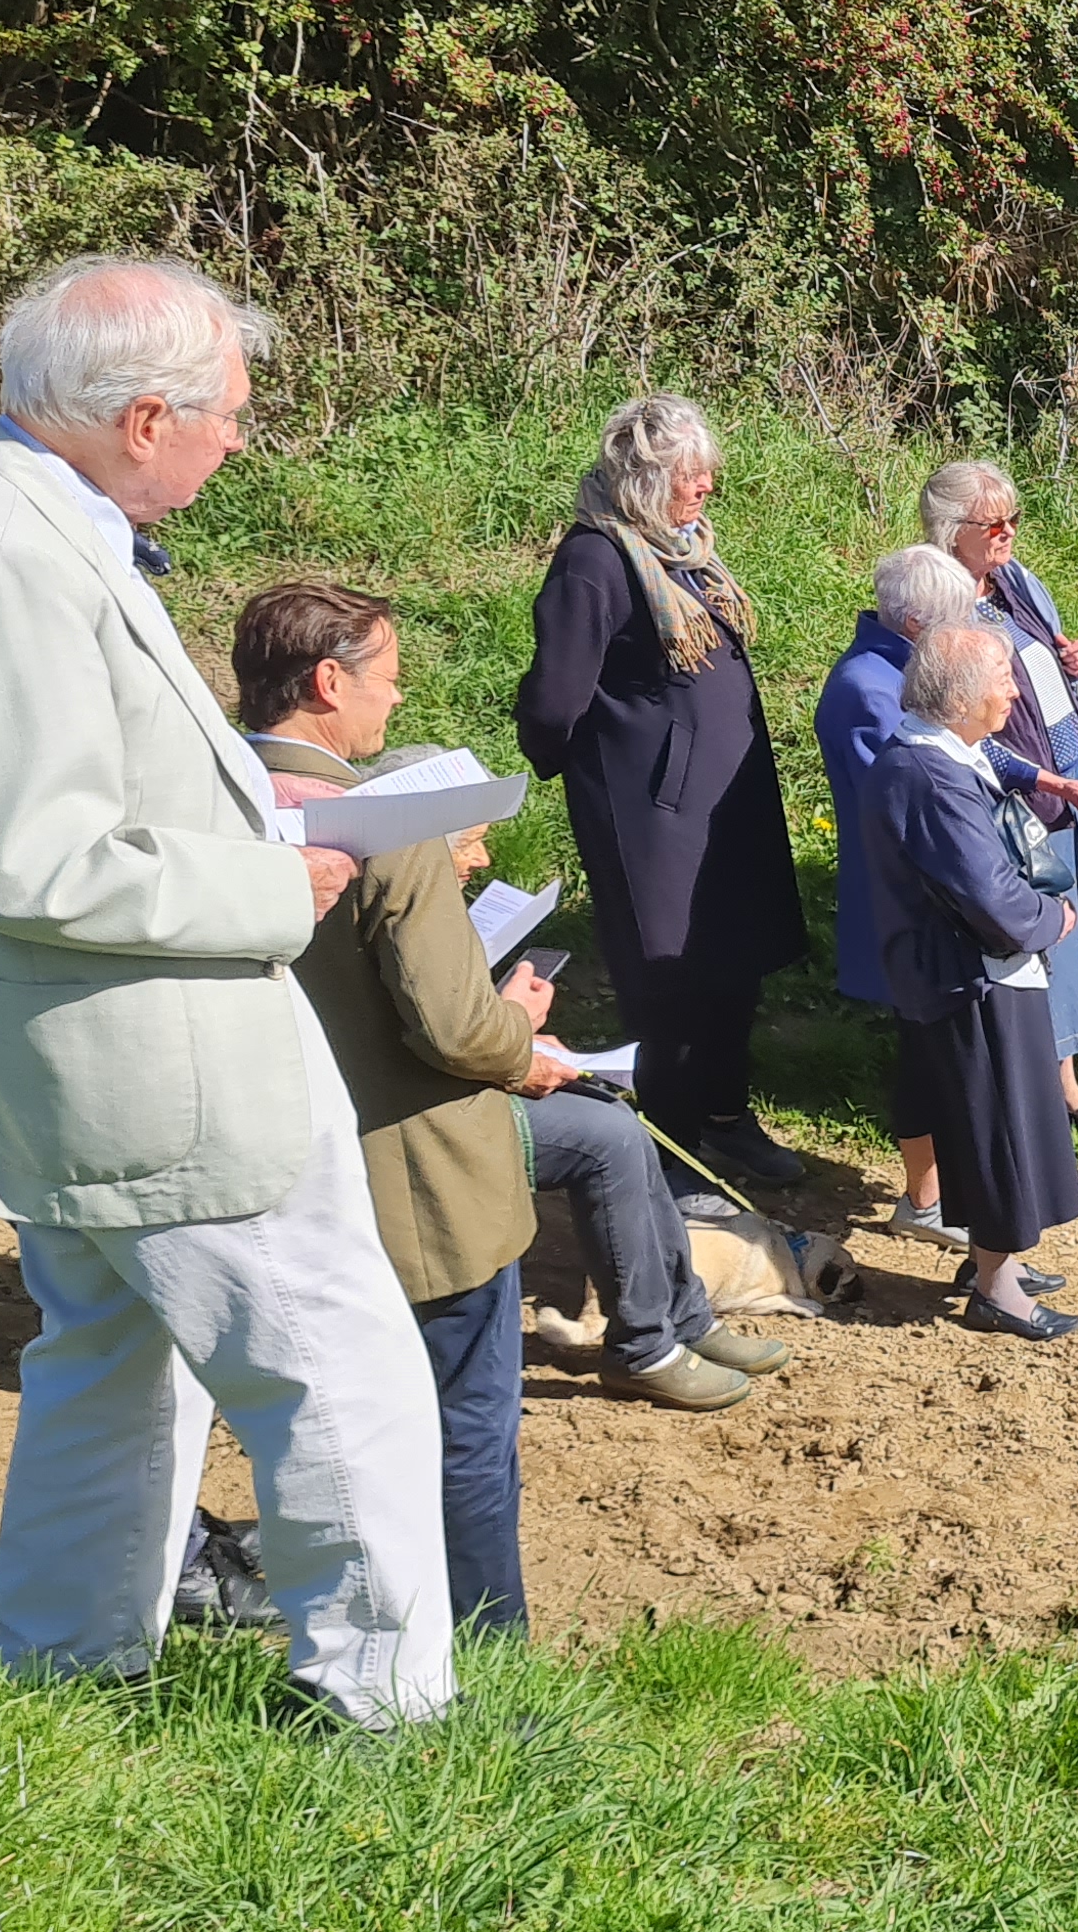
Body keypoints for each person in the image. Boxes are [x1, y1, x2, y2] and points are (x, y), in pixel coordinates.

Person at [0, 255, 452, 1725]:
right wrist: (267, 884)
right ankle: (382, 1705)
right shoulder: (7, 553)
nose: (242, 439)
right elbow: (40, 856)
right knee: (331, 1356)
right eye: (230, 414)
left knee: (110, 1356)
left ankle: (67, 1665)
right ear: (147, 415)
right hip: (156, 1050)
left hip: (75, 1045)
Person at [239, 581, 787, 1628]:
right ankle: (483, 1656)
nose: (391, 704)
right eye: (386, 682)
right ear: (326, 683)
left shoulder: (211, 800)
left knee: (342, 1422)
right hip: (423, 1175)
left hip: (286, 1169)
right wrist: (520, 1034)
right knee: (467, 1431)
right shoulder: (383, 827)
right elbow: (450, 1027)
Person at [515, 394, 812, 1191]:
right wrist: (631, 773)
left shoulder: (679, 551)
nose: (707, 483)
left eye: (705, 468)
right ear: (641, 478)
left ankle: (725, 1119)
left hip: (721, 805)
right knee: (673, 979)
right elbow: (553, 701)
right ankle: (673, 1152)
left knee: (733, 963)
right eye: (689, 471)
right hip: (656, 816)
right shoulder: (595, 561)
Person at [816, 544, 1067, 1242]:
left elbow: (967, 758)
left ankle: (942, 1205)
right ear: (919, 622)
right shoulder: (870, 688)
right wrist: (1019, 899)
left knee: (941, 1064)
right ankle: (929, 1202)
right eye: (959, 616)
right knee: (935, 1063)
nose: (974, 627)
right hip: (919, 914)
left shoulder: (914, 677)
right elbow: (920, 809)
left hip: (952, 911)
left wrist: (1038, 781)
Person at [857, 625, 1078, 1340]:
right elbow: (987, 895)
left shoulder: (934, 753)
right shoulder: (932, 777)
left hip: (963, 972)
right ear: (959, 698)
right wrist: (1052, 919)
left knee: (988, 1124)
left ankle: (997, 1264)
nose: (1014, 692)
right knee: (998, 1129)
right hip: (975, 977)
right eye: (1003, 680)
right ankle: (995, 1287)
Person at [920, 459, 1078, 1140]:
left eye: (1015, 519)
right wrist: (1039, 779)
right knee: (1045, 935)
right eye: (994, 524)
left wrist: (1075, 661)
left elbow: (1047, 667)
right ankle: (1058, 1090)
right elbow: (959, 720)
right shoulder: (945, 603)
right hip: (1024, 794)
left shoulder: (1017, 582)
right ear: (951, 531)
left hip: (1068, 771)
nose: (1008, 533)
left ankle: (1072, 1068)